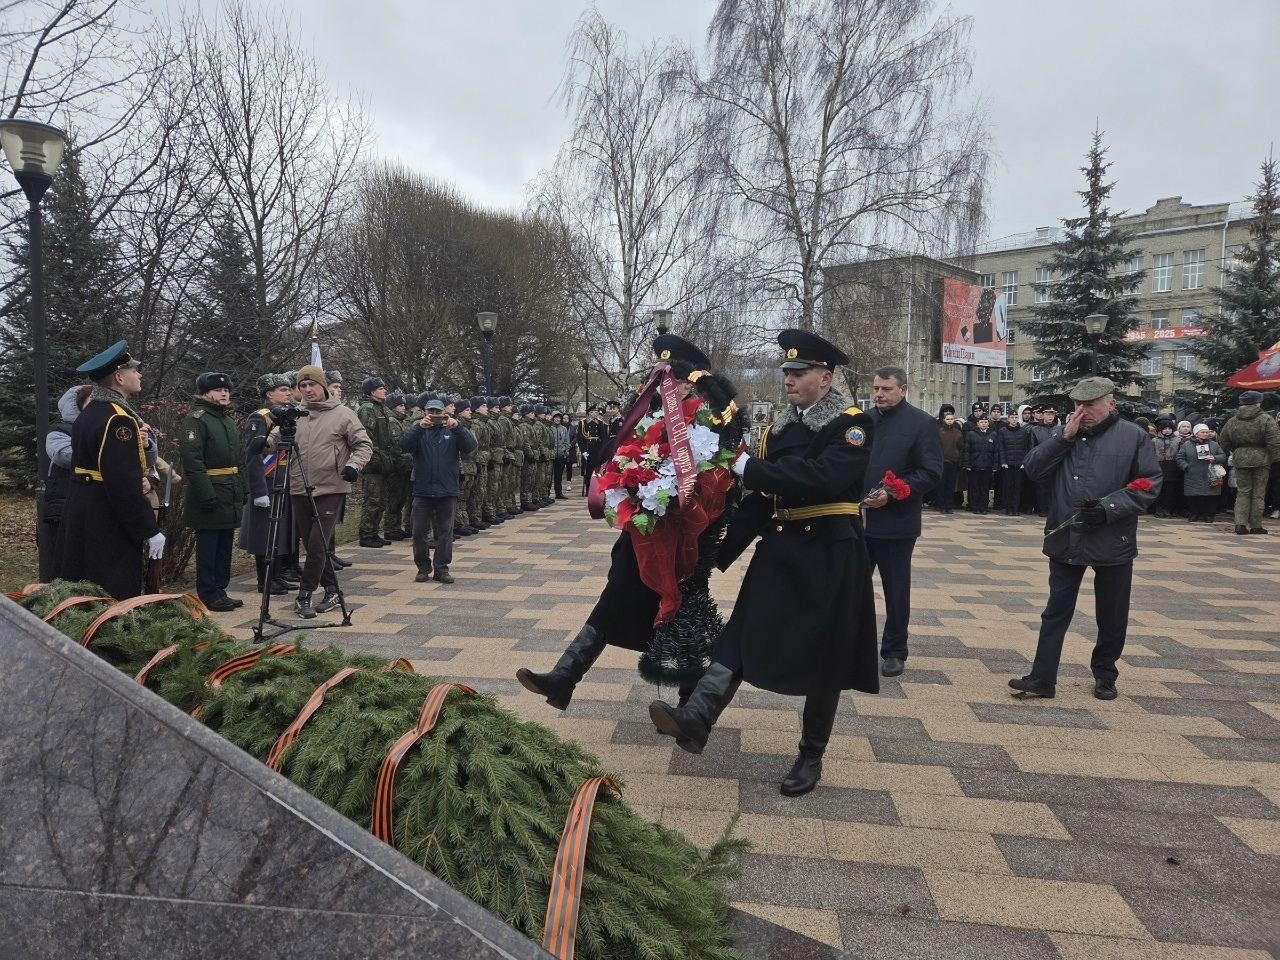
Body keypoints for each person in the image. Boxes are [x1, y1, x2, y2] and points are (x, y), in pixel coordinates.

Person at [648, 330, 879, 797]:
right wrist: (711, 556)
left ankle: (811, 754)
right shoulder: (778, 431)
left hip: (832, 550)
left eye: (799, 373)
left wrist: (750, 469)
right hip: (781, 546)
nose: (789, 381)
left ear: (825, 378)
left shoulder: (852, 425)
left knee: (825, 656)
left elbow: (822, 478)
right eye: (786, 373)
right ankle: (697, 718)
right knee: (741, 631)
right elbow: (759, 502)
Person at [517, 335, 744, 714]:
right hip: (641, 531)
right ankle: (564, 677)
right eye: (657, 376)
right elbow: (612, 452)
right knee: (616, 598)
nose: (659, 384)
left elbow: (724, 471)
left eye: (669, 378)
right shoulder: (646, 415)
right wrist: (631, 474)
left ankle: (690, 706)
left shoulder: (711, 419)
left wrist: (676, 486)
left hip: (686, 538)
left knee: (685, 613)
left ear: (690, 382)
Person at [1010, 377, 1161, 701]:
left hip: (1113, 539)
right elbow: (1033, 469)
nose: (1082, 411)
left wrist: (1110, 507)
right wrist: (1062, 438)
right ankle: (1042, 677)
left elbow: (1149, 482)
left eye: (1089, 405)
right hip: (1067, 537)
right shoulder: (1063, 434)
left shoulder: (1133, 436)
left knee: (1112, 613)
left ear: (1110, 404)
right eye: (1077, 404)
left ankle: (1105, 674)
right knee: (1055, 611)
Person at [52, 341, 164, 601]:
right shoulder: (119, 419)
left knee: (84, 588)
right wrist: (148, 529)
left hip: (84, 509)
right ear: (118, 377)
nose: (139, 374)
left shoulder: (92, 411)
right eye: (134, 370)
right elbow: (123, 483)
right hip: (107, 519)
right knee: (112, 591)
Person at [859, 365, 942, 678]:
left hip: (896, 525)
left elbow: (930, 472)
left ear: (903, 389)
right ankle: (850, 644)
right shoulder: (863, 421)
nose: (879, 394)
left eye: (887, 389)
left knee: (895, 592)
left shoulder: (921, 424)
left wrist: (891, 494)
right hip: (858, 521)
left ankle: (894, 651)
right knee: (851, 587)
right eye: (876, 388)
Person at [274, 366, 371, 618]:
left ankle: (304, 595)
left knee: (317, 545)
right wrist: (259, 444)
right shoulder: (295, 414)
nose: (307, 390)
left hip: (331, 486)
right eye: (303, 386)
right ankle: (331, 591)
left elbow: (363, 445)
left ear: (324, 386)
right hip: (299, 486)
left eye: (312, 385)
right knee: (313, 545)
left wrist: (353, 466)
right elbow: (274, 439)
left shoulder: (344, 414)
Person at [177, 372, 247, 612]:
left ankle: (220, 590)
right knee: (208, 547)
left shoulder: (225, 420)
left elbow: (239, 459)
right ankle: (207, 593)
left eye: (226, 389)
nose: (224, 393)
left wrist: (244, 488)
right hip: (210, 492)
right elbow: (193, 461)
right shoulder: (196, 420)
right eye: (218, 390)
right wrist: (206, 493)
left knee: (224, 546)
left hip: (230, 491)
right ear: (205, 393)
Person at [399, 396, 476, 584]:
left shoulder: (452, 431)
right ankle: (423, 567)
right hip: (423, 490)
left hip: (447, 490)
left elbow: (470, 447)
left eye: (438, 413)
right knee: (419, 532)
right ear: (425, 413)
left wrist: (457, 427)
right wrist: (419, 427)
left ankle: (442, 569)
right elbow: (403, 445)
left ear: (445, 413)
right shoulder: (419, 431)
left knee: (445, 532)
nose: (434, 416)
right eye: (430, 412)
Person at [239, 373, 295, 597]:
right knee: (265, 533)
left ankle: (278, 576)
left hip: (284, 477)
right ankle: (265, 580)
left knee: (281, 530)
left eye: (289, 389)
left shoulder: (287, 415)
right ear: (269, 394)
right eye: (283, 390)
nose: (289, 392)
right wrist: (259, 490)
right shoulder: (260, 417)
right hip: (268, 479)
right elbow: (252, 455)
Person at [41, 385, 94, 581]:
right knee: (66, 567)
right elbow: (65, 456)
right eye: (91, 402)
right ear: (77, 406)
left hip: (92, 507)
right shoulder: (59, 431)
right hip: (63, 508)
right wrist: (101, 446)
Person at [1217, 390, 1280, 535]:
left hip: (1240, 458)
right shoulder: (1266, 419)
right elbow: (1274, 442)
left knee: (1243, 491)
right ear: (1257, 403)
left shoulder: (1233, 420)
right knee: (1258, 492)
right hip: (1261, 458)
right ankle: (1256, 525)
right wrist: (1276, 458)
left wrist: (1237, 450)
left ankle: (1240, 524)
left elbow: (1223, 440)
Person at [354, 377, 395, 547]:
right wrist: (374, 458)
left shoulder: (382, 409)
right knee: (372, 500)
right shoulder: (367, 409)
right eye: (381, 388)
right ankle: (366, 534)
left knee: (382, 500)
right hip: (373, 463)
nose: (385, 391)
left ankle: (374, 532)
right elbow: (367, 437)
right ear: (372, 392)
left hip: (384, 461)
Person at [1176, 422, 1227, 523]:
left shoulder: (1214, 444)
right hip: (1193, 473)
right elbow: (1180, 458)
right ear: (1196, 433)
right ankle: (1194, 514)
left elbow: (1223, 456)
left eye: (1207, 432)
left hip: (1209, 474)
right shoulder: (1187, 445)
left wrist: (1215, 458)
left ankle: (1208, 515)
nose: (1205, 434)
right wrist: (1186, 467)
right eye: (1203, 432)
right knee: (1194, 496)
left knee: (1210, 496)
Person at [994, 407, 1030, 516]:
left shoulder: (1023, 431)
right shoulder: (1003, 431)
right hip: (1007, 464)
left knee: (1017, 487)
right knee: (1007, 487)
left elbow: (1026, 448)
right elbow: (1001, 448)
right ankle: (1008, 508)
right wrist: (1003, 462)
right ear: (1008, 419)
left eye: (1016, 417)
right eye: (1012, 417)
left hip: (1019, 464)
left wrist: (1024, 462)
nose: (1014, 419)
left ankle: (1015, 508)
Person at [1150, 418, 1182, 517]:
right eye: (1165, 428)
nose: (1167, 430)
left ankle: (1168, 509)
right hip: (1159, 465)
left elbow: (1181, 453)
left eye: (1169, 428)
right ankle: (1159, 508)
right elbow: (1151, 453)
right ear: (1161, 429)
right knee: (1159, 489)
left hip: (1172, 466)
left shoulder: (1178, 440)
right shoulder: (1155, 440)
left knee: (1170, 490)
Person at [964, 415, 996, 514]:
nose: (983, 424)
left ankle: (984, 506)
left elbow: (996, 452)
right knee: (974, 488)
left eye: (985, 422)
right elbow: (967, 451)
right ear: (978, 424)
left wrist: (995, 466)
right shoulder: (971, 434)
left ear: (988, 424)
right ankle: (975, 507)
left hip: (987, 465)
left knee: (984, 488)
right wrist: (967, 464)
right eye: (981, 422)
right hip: (974, 466)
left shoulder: (993, 435)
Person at [937, 406, 963, 515]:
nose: (949, 421)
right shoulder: (939, 432)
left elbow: (961, 448)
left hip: (954, 463)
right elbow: (935, 448)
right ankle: (942, 506)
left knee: (951, 486)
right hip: (942, 463)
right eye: (948, 419)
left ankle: (949, 505)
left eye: (951, 419)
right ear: (944, 420)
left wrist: (959, 461)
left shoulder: (958, 433)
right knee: (942, 485)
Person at [578, 405, 607, 495]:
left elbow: (603, 437)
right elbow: (580, 437)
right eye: (595, 412)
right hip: (588, 447)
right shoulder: (583, 423)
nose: (597, 413)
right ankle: (589, 488)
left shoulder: (600, 423)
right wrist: (583, 451)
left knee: (598, 469)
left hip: (597, 448)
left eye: (597, 412)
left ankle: (597, 487)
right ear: (590, 413)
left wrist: (603, 449)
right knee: (589, 470)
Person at [552, 412, 571, 499]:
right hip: (551, 455)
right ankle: (546, 493)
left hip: (560, 455)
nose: (557, 419)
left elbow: (567, 442)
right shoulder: (550, 428)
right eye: (556, 418)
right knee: (549, 476)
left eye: (559, 418)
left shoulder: (563, 429)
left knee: (559, 476)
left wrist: (566, 452)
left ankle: (558, 493)